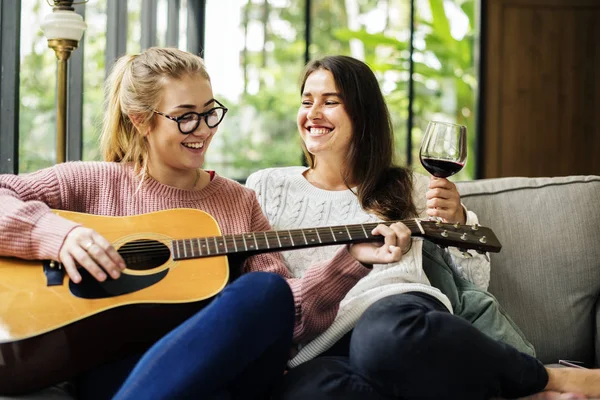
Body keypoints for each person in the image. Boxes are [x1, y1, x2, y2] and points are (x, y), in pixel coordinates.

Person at [246, 55, 600, 400]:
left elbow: (473, 283)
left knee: (385, 342)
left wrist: (456, 218)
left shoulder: (409, 186)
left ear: (363, 114)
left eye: (330, 101)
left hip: (394, 314)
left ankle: (545, 377)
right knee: (306, 392)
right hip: (319, 341)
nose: (313, 113)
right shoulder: (266, 186)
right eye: (307, 101)